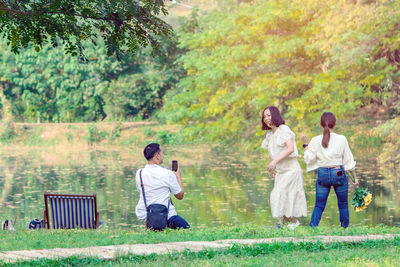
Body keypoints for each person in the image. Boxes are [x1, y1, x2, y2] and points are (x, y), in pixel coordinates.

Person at [301, 112, 359, 228]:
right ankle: (344, 230)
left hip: (323, 173)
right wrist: (355, 179)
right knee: (343, 204)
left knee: (319, 205)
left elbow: (308, 159)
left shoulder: (315, 140)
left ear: (321, 125)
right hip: (338, 172)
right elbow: (348, 161)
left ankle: (312, 228)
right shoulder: (341, 139)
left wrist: (305, 145)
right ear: (335, 124)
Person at [261, 106, 307, 230]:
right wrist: (271, 166)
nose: (266, 118)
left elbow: (290, 148)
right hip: (281, 171)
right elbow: (273, 152)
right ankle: (287, 224)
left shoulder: (283, 129)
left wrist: (275, 161)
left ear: (275, 115)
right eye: (264, 116)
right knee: (280, 196)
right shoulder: (270, 134)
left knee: (283, 194)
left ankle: (293, 223)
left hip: (291, 170)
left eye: (269, 115)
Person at [135, 143, 190, 229]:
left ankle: (150, 229)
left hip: (145, 214)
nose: (163, 156)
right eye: (162, 153)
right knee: (187, 229)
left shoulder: (139, 173)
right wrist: (177, 176)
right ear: (157, 156)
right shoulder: (167, 174)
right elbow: (180, 195)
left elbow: (141, 190)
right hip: (166, 215)